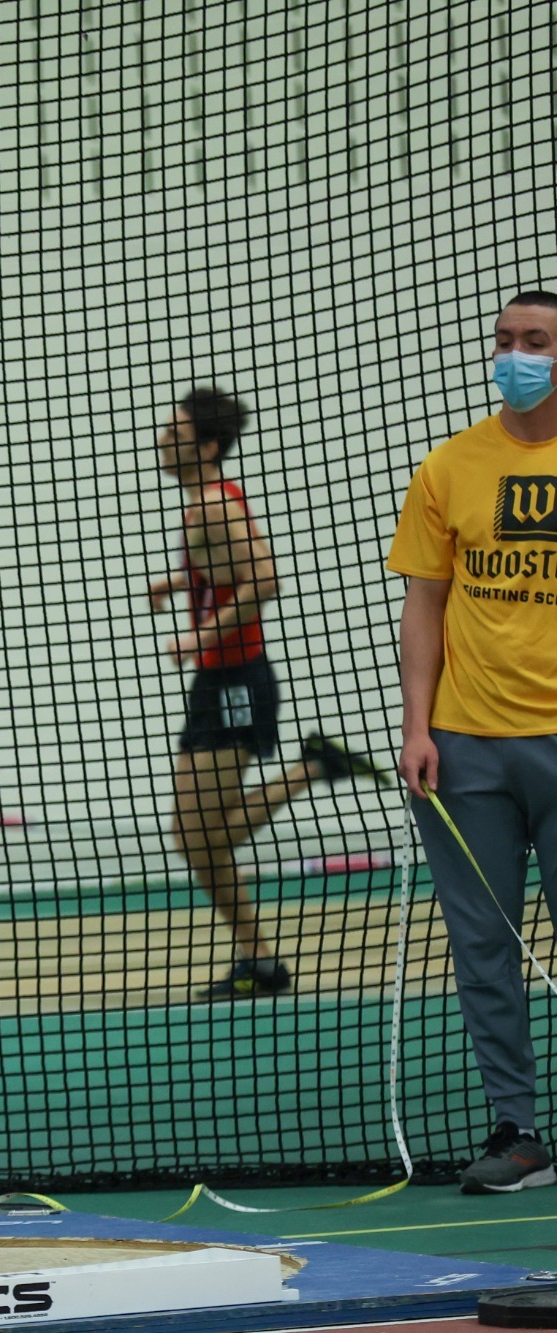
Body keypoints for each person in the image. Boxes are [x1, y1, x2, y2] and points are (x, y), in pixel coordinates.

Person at [389, 290, 557, 1195]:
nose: (515, 355)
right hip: (465, 748)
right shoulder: (449, 466)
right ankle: (518, 1132)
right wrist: (417, 726)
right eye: (505, 340)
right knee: (485, 947)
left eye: (535, 341)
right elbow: (426, 603)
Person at [146, 388, 391, 1000]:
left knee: (199, 839)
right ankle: (258, 959)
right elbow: (226, 571)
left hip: (236, 683)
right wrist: (180, 583)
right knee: (195, 838)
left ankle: (313, 768)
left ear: (207, 448)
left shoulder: (213, 506)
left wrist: (198, 634)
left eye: (175, 434)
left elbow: (265, 578)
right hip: (218, 682)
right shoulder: (203, 505)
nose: (161, 441)